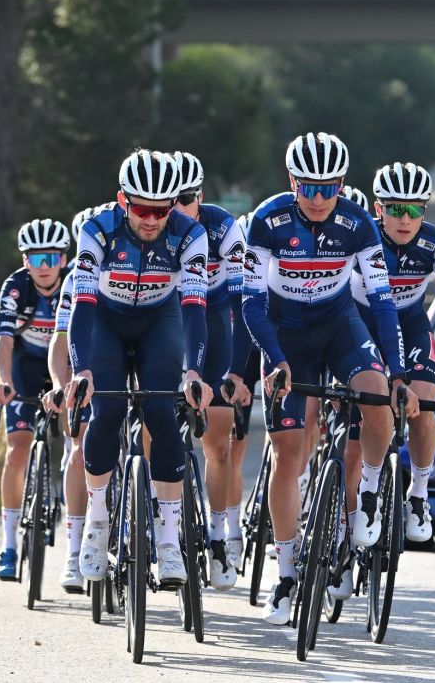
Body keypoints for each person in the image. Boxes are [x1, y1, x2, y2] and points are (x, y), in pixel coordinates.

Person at [237, 131, 418, 625]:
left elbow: (381, 301)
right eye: (308, 188)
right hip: (285, 336)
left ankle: (368, 495)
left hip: (340, 328)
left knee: (376, 395)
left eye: (329, 188)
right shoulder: (267, 220)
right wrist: (274, 359)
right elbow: (251, 301)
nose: (318, 199)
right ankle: (286, 574)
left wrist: (398, 371)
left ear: (341, 184)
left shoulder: (359, 223)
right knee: (286, 452)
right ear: (291, 181)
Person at [66, 149, 213, 589]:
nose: (151, 220)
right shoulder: (97, 230)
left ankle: (168, 542)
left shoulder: (190, 234)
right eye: (141, 210)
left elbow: (194, 307)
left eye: (161, 211)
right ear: (122, 201)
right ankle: (96, 524)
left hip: (159, 320)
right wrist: (81, 370)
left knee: (162, 414)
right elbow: (82, 305)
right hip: (106, 321)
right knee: (106, 412)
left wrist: (194, 372)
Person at [338, 163, 435, 593]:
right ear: (378, 208)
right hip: (360, 326)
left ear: (424, 211)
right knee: (355, 443)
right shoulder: (361, 239)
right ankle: (349, 521)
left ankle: (419, 495)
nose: (405, 218)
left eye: (414, 209)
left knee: (423, 404)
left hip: (411, 326)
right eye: (395, 208)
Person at [172, 151, 253, 591]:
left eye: (185, 198)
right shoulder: (153, 228)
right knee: (152, 425)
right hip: (168, 317)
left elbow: (243, 302)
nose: (176, 207)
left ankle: (218, 536)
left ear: (200, 197)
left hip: (217, 316)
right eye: (169, 200)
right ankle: (153, 519)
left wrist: (237, 372)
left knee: (219, 445)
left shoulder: (224, 228)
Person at [0, 218, 71, 580]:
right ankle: (8, 546)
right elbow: (3, 341)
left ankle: (71, 486)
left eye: (51, 258)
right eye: (36, 258)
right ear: (25, 261)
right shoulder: (15, 287)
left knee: (76, 434)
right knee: (17, 448)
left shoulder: (74, 283)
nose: (44, 266)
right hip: (24, 365)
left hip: (64, 363)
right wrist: (4, 382)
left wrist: (66, 385)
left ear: (63, 259)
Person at [43, 205, 104, 592]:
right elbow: (60, 340)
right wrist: (58, 384)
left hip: (123, 366)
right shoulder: (73, 281)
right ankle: (74, 549)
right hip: (84, 370)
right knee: (80, 450)